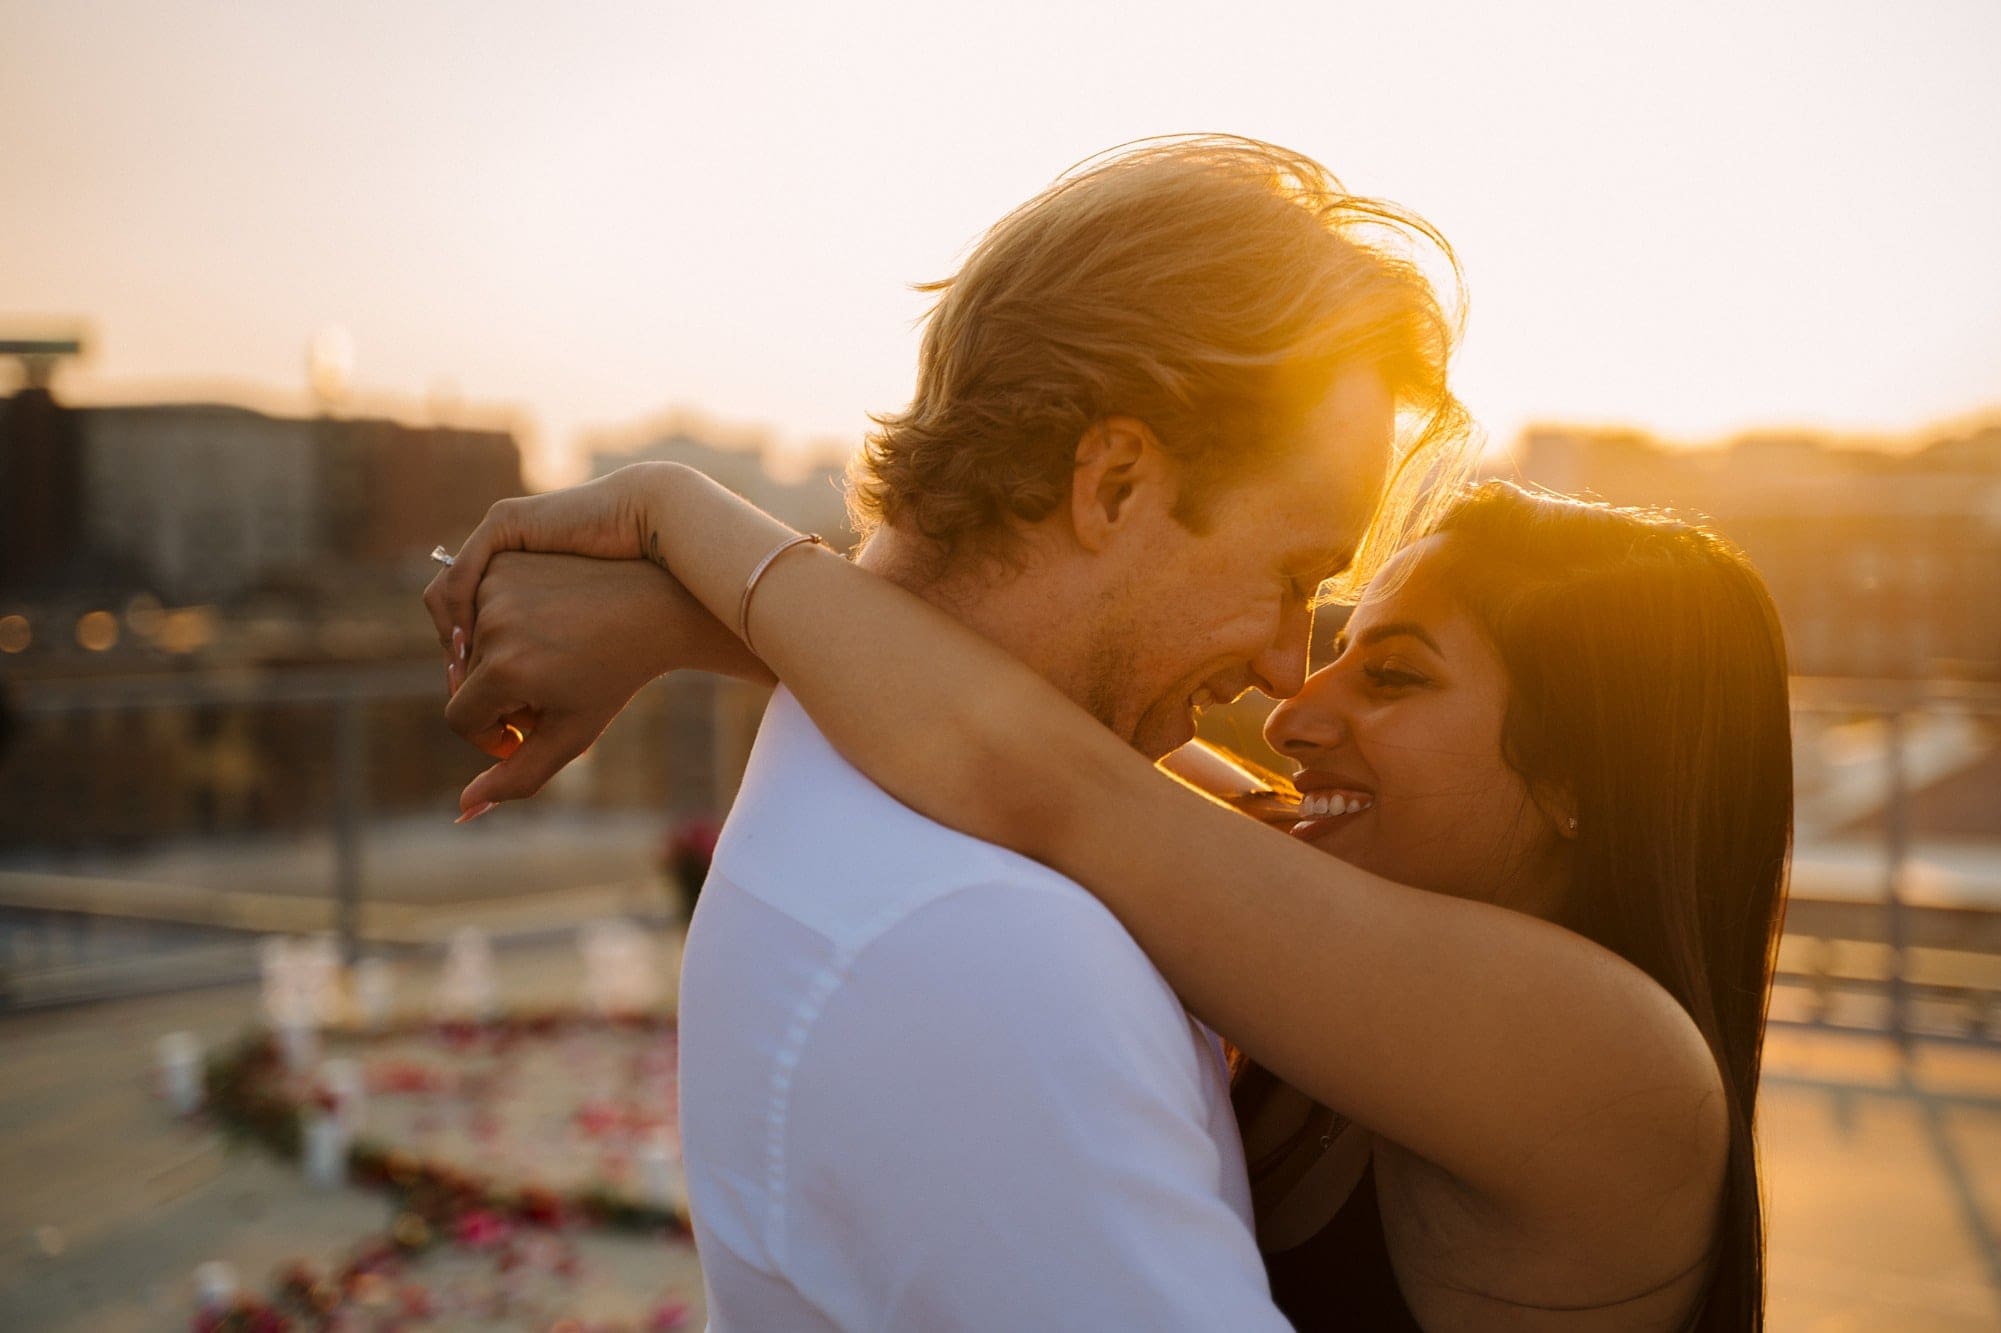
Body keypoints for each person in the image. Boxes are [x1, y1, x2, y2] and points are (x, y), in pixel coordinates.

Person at [428, 135, 1468, 1329]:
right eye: (1291, 575)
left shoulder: (868, 771)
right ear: (1116, 481)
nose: (1290, 669)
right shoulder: (992, 951)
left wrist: (692, 593)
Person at [432, 464, 1791, 1331]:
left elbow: (1040, 773)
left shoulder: (1618, 1064)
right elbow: (1053, 723)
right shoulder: (1348, 904)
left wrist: (676, 519)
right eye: (1336, 647)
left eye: (1396, 675)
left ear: (1577, 779)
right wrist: (683, 624)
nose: (1294, 708)